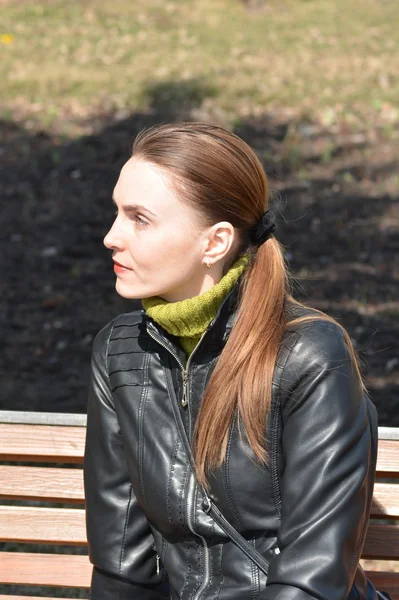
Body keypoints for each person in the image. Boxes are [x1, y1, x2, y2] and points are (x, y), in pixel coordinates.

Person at [84, 122, 383, 600]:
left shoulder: (310, 356)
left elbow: (312, 582)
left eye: (139, 218)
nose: (111, 237)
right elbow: (123, 568)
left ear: (216, 243)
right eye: (117, 212)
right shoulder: (120, 353)